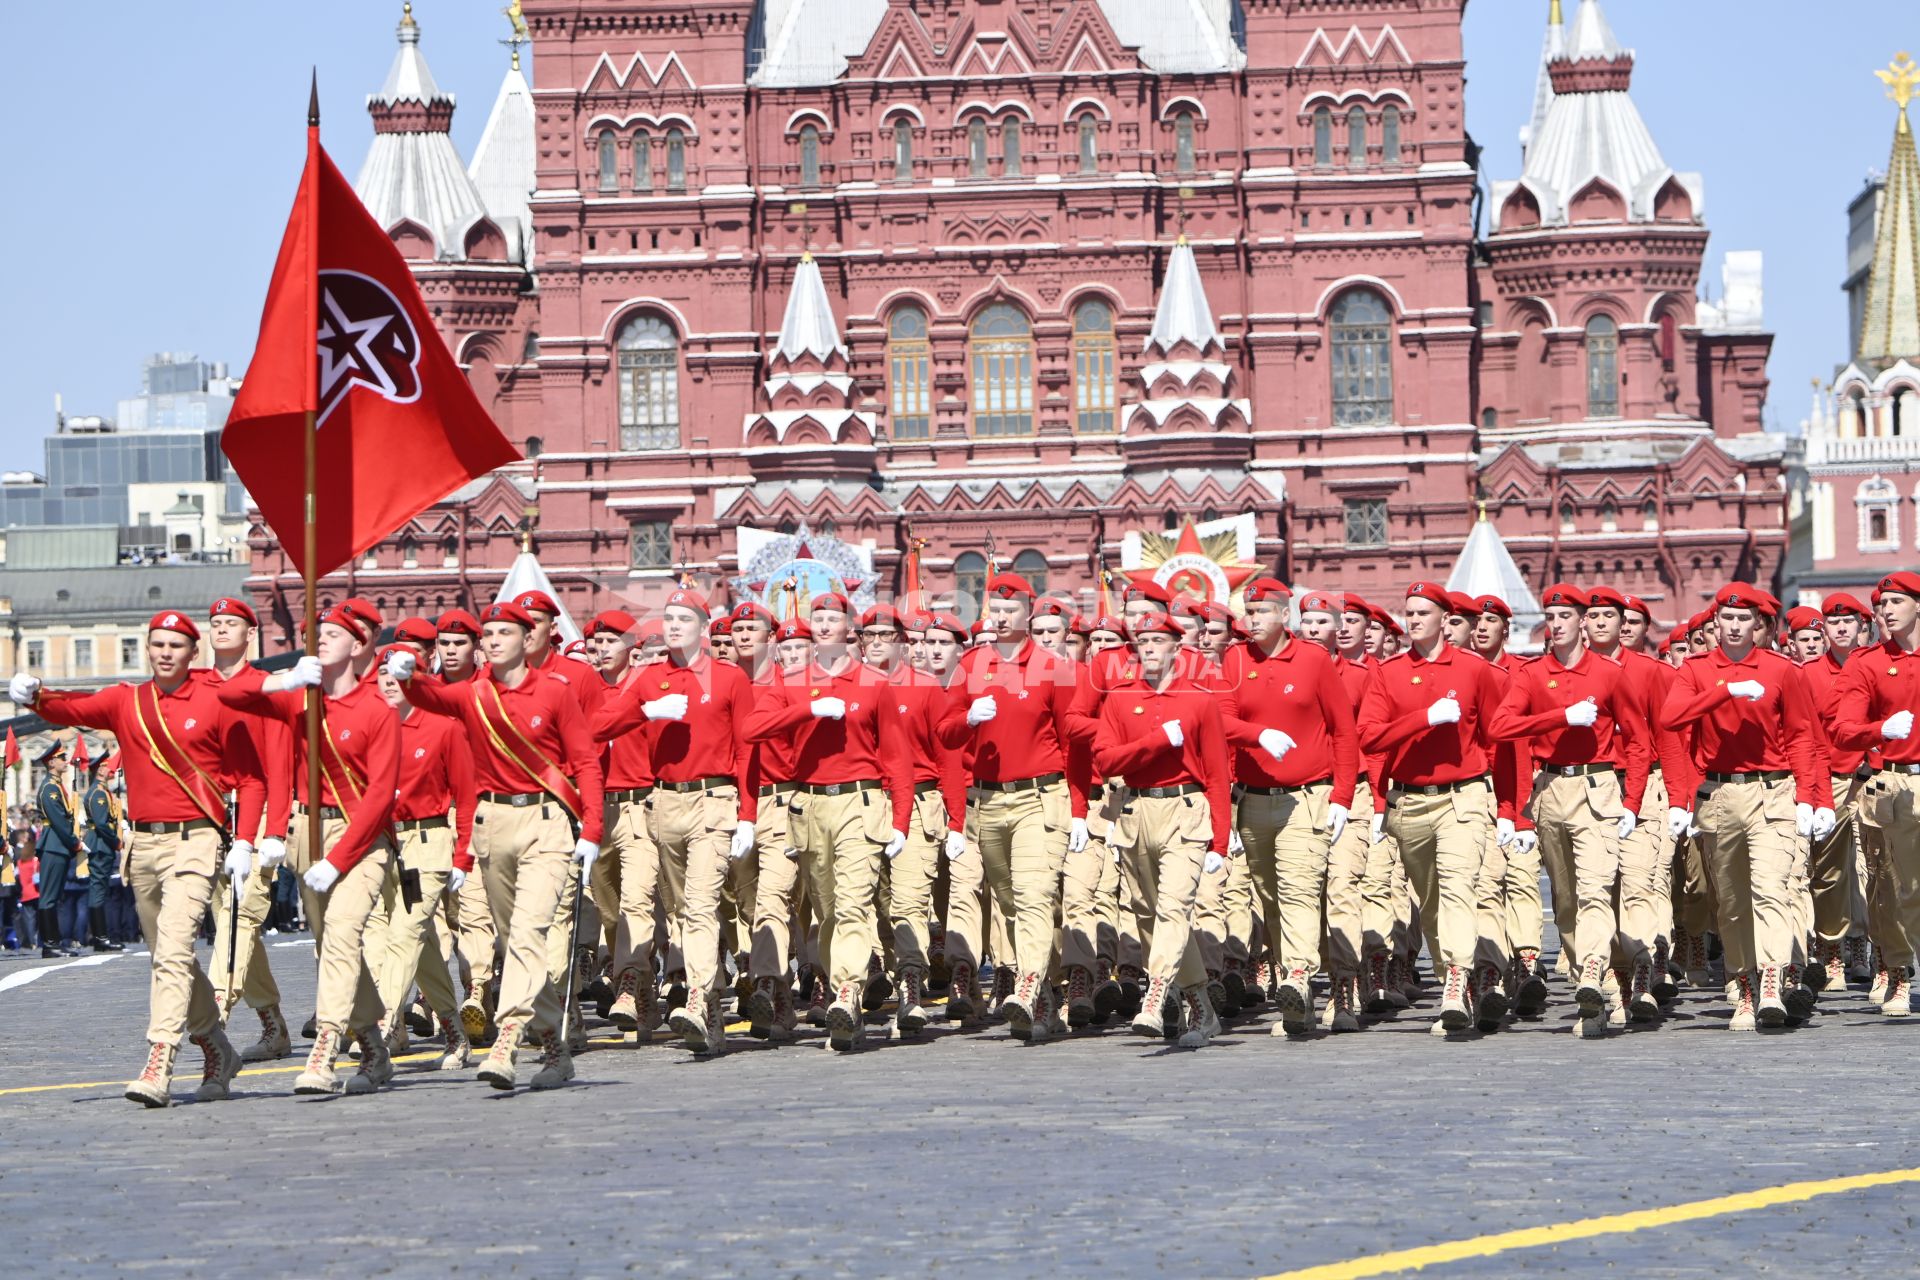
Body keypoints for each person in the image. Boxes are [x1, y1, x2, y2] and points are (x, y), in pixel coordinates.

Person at [13, 609, 266, 1107]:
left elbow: (252, 777)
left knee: (172, 953)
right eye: (157, 645)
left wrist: (247, 841)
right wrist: (37, 692)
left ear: (194, 653)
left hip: (196, 840)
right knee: (168, 956)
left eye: (176, 645)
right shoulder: (126, 700)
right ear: (148, 650)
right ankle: (217, 1045)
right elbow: (73, 709)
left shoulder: (217, 698)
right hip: (143, 846)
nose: (165, 652)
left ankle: (160, 1060)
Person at [388, 601, 604, 1090]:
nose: (493, 640)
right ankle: (555, 1046)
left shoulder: (555, 692)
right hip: (492, 825)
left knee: (528, 933)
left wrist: (591, 828)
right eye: (489, 633)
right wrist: (406, 677)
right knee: (516, 941)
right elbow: (430, 699)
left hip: (545, 822)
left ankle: (507, 1036)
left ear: (527, 640)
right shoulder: (473, 694)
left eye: (504, 632)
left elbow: (586, 762)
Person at [222, 606, 403, 1095]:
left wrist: (340, 859)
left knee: (343, 935)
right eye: (315, 634)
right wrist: (277, 681)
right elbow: (228, 693)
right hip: (308, 833)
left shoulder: (377, 710)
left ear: (360, 644)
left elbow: (380, 795)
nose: (318, 641)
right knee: (334, 947)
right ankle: (372, 1046)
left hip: (359, 839)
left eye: (332, 635)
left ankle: (326, 1047)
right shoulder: (300, 699)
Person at [746, 591, 911, 1051]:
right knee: (827, 910)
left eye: (832, 618)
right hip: (809, 805)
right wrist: (805, 709)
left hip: (860, 803)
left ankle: (846, 991)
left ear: (848, 629)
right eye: (816, 618)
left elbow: (897, 757)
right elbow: (750, 730)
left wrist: (900, 820)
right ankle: (843, 990)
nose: (821, 624)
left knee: (854, 902)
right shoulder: (790, 682)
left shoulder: (874, 683)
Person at [1661, 583, 1828, 1030]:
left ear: (1758, 625)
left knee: (1770, 889)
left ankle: (1771, 983)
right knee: (1731, 904)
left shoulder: (1782, 670)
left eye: (1743, 619)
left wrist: (1811, 797)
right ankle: (1745, 983)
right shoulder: (1696, 671)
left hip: (1773, 792)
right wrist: (1726, 692)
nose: (1734, 626)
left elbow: (1801, 736)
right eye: (1726, 619)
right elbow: (1671, 719)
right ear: (1716, 624)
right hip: (1718, 796)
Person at [593, 587, 752, 1056]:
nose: (675, 625)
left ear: (704, 627)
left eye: (685, 618)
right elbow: (594, 729)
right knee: (683, 911)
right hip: (663, 805)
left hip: (713, 799)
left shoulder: (728, 678)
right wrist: (642, 711)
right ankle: (713, 1013)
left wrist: (748, 815)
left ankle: (701, 997)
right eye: (668, 618)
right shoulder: (645, 679)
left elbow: (746, 751)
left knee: (701, 906)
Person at [1489, 584, 1652, 1037]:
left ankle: (1594, 972)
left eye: (1565, 615)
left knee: (1596, 890)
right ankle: (1596, 992)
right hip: (1550, 789)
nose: (1556, 623)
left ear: (1583, 621)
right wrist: (1559, 719)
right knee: (1564, 901)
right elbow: (1501, 726)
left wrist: (1633, 801)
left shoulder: (1610, 672)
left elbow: (1639, 741)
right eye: (1550, 615)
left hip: (1598, 787)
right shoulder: (1532, 674)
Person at [1357, 582, 1510, 1037]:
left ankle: (1456, 979)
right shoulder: (1388, 673)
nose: (1414, 619)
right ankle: (1453, 973)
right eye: (1409, 612)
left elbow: (1501, 738)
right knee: (1431, 901)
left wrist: (1507, 809)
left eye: (1424, 612)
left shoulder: (1475, 670)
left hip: (1463, 796)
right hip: (1409, 802)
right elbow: (1369, 737)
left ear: (1446, 619)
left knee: (1458, 887)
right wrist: (1423, 719)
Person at [941, 574, 1089, 1042]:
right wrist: (966, 718)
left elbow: (1074, 744)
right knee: (1009, 902)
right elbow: (943, 736)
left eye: (1012, 609)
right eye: (995, 609)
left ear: (1029, 612)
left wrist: (1079, 809)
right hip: (985, 801)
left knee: (1033, 895)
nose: (1002, 616)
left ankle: (1026, 983)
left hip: (1038, 798)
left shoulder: (1053, 667)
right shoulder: (971, 665)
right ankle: (1044, 999)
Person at [1220, 582, 1359, 1034]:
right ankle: (1294, 980)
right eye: (1249, 611)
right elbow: (1219, 718)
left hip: (1307, 796)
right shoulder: (1236, 659)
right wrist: (1255, 735)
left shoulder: (1314, 660)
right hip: (1253, 799)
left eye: (1261, 611)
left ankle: (1298, 978)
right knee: (1270, 896)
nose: (1252, 619)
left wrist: (1341, 796)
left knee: (1299, 887)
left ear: (1284, 615)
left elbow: (1343, 730)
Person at [1092, 613, 1233, 1047]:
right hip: (1136, 813)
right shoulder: (1119, 698)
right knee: (1152, 915)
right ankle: (1203, 1010)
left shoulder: (1199, 699)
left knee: (1174, 908)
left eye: (1159, 640)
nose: (1150, 647)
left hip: (1185, 811)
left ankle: (1156, 995)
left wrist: (1221, 841)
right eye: (1144, 640)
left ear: (1177, 647)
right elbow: (1106, 762)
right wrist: (1155, 743)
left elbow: (1216, 774)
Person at [366, 646, 476, 1070]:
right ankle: (453, 1028)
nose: (389, 682)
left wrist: (463, 856)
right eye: (382, 674)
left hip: (427, 843)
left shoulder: (443, 728)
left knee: (406, 933)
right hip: (382, 844)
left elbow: (465, 797)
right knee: (423, 943)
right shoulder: (371, 728)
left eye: (398, 674)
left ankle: (382, 1023)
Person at [1829, 571, 1920, 1015]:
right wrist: (1878, 729)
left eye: (1896, 602)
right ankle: (1899, 970)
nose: (1886, 610)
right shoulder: (1865, 664)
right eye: (1882, 604)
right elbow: (1842, 730)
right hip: (1893, 784)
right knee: (1891, 888)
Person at [33, 740, 81, 957]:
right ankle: (50, 944)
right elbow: (59, 821)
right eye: (62, 758)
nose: (66, 761)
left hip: (58, 845)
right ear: (51, 762)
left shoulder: (56, 786)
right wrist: (73, 841)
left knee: (54, 896)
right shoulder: (50, 788)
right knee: (49, 896)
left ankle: (54, 942)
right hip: (55, 844)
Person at [82, 759, 125, 953]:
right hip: (100, 845)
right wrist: (115, 841)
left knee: (100, 889)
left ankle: (101, 937)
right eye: (108, 765)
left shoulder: (102, 791)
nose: (112, 769)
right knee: (98, 890)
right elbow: (101, 823)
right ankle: (101, 938)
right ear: (99, 770)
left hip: (101, 844)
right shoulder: (98, 793)